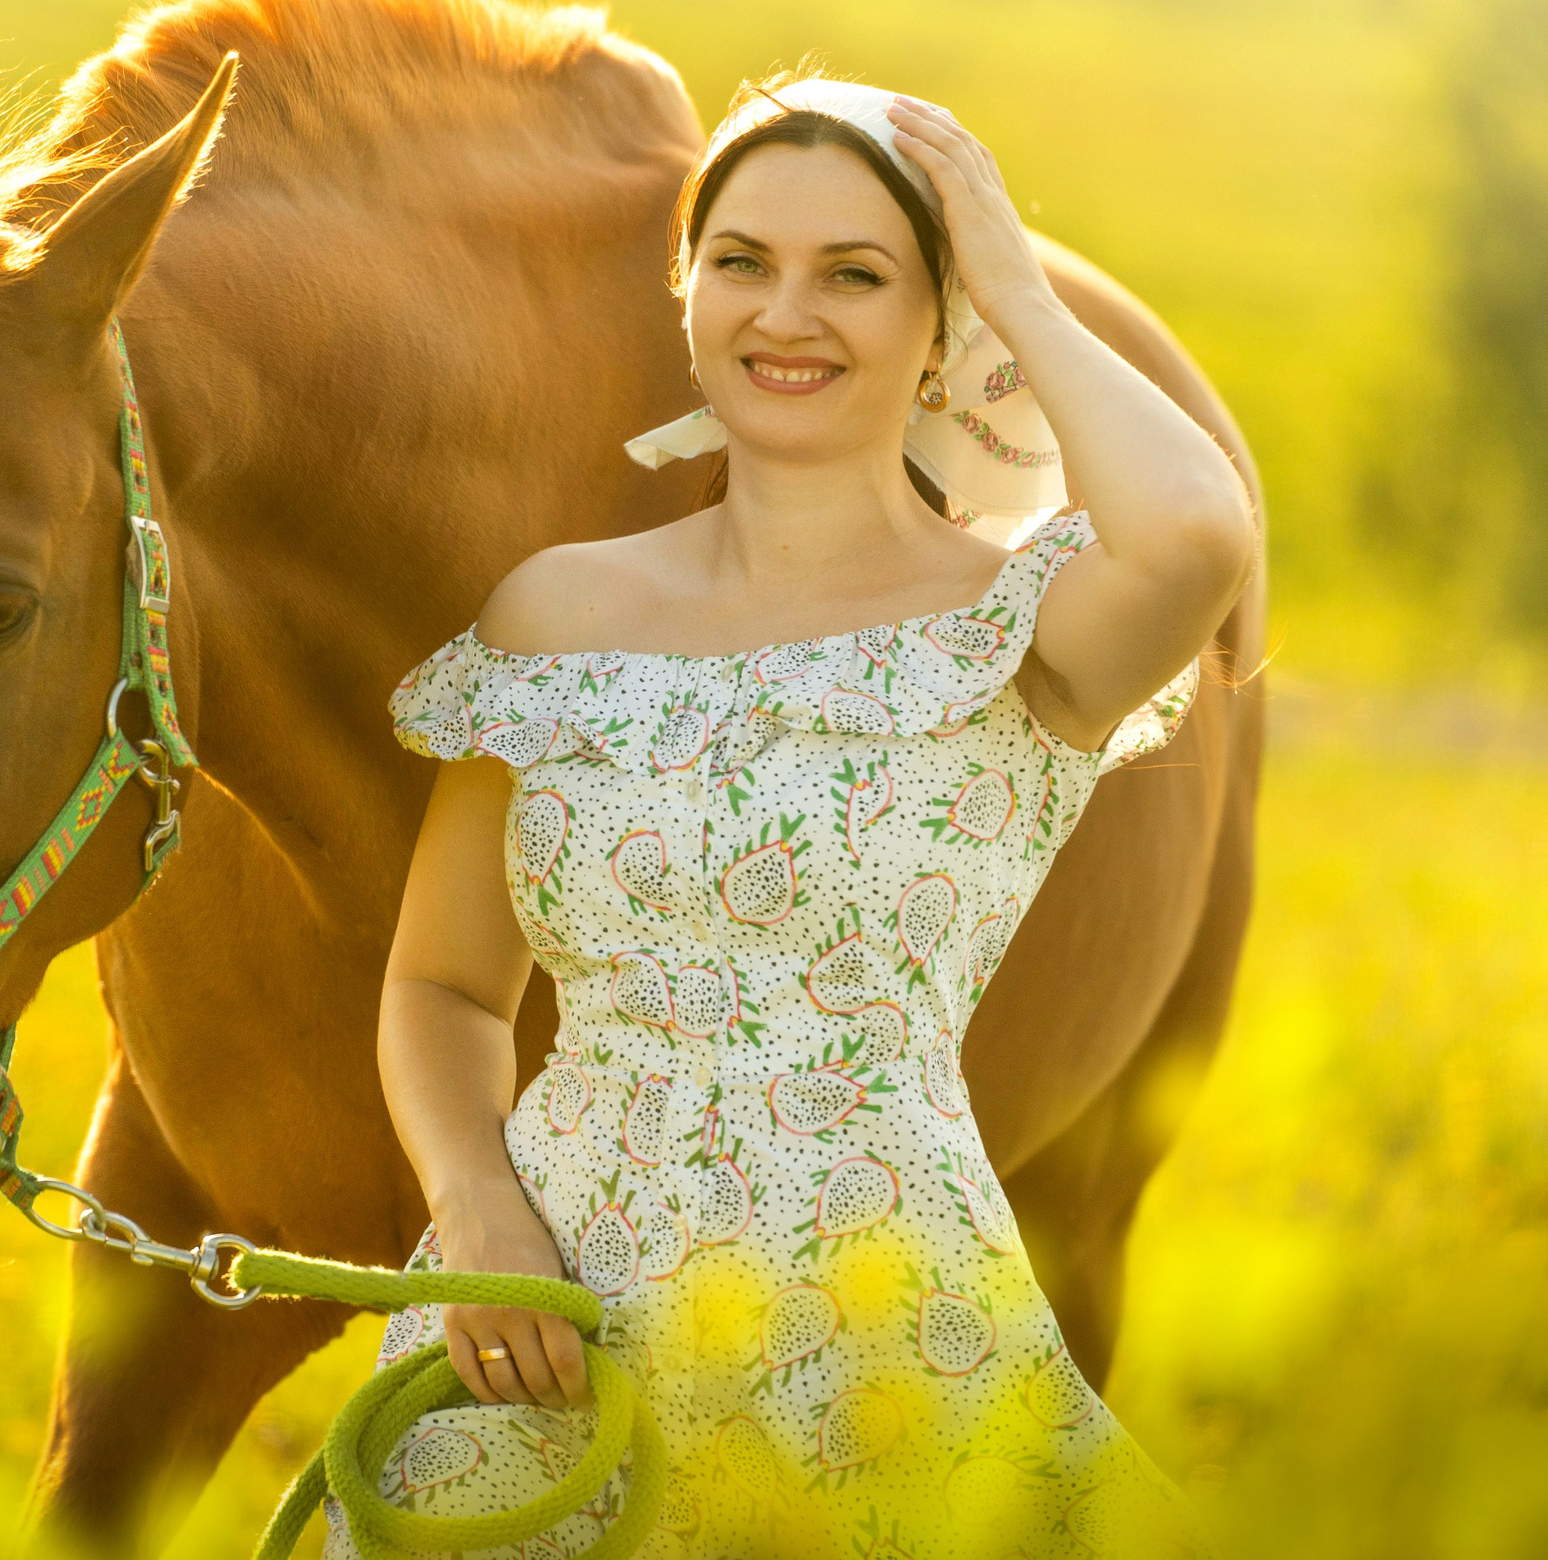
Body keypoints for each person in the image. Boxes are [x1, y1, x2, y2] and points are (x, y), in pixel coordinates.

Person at [333, 76, 1255, 1558]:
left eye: (858, 275)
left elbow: (1202, 531)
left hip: (890, 1334)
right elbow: (441, 988)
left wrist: (1009, 272)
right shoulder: (556, 613)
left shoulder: (1019, 636)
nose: (787, 315)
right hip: (562, 1318)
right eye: (744, 262)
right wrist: (480, 1218)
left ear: (941, 326)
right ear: (687, 291)